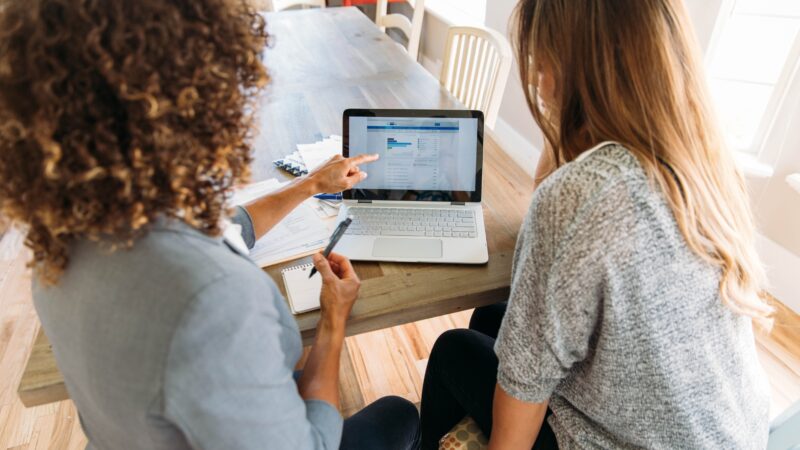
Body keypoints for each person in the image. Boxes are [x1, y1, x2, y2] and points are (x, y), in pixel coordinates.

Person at [0, 1, 419, 449]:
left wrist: (311, 184)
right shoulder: (213, 298)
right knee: (399, 414)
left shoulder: (65, 237)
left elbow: (227, 226)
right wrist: (334, 321)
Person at [419, 0, 773, 448]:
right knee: (492, 317)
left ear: (579, 69)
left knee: (453, 348)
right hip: (733, 433)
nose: (534, 80)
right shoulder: (704, 160)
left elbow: (523, 392)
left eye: (542, 62)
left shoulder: (580, 195)